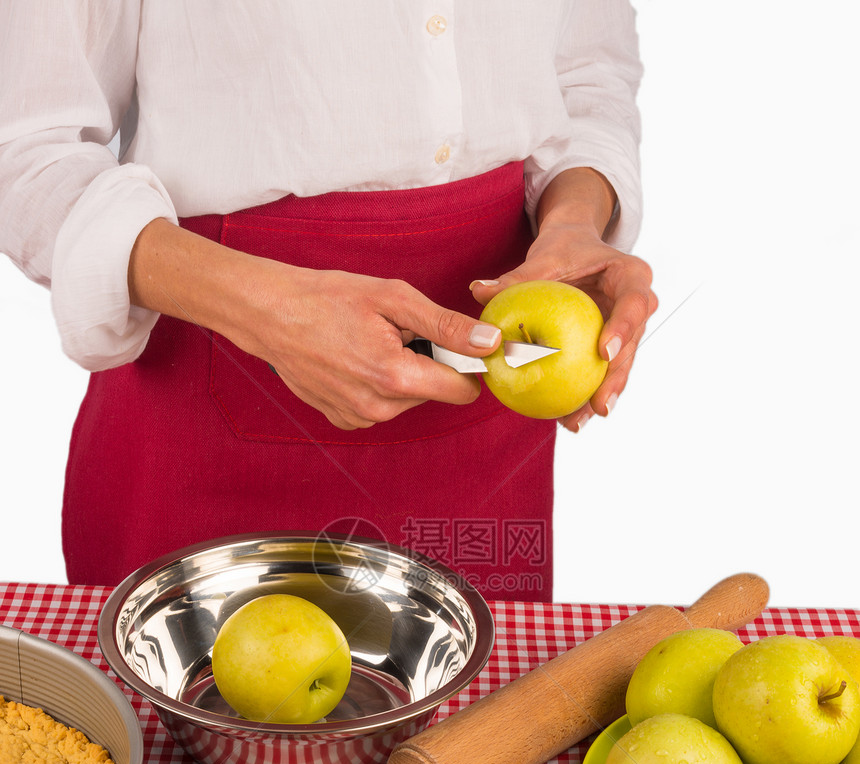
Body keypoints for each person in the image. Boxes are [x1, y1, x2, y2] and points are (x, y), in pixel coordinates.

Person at [0, 2, 656, 600]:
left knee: (483, 721)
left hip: (483, 435)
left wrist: (574, 222)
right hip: (211, 415)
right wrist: (265, 308)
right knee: (187, 717)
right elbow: (27, 149)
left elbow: (584, 83)